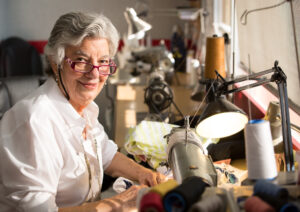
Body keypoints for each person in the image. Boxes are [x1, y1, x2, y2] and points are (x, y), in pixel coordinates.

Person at [0, 11, 166, 212]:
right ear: (56, 63)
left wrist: (144, 174)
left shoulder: (83, 108)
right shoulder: (34, 121)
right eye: (81, 60)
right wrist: (116, 203)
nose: (95, 73)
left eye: (103, 62)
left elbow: (106, 154)